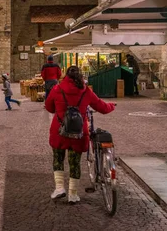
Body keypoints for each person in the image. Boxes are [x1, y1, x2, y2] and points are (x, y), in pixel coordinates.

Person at [45, 66, 115, 203]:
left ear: (65, 76)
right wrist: (112, 105)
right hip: (78, 133)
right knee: (75, 163)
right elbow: (101, 107)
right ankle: (73, 194)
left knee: (58, 159)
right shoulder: (85, 91)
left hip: (59, 131)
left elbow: (49, 107)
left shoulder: (57, 89)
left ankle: (59, 188)